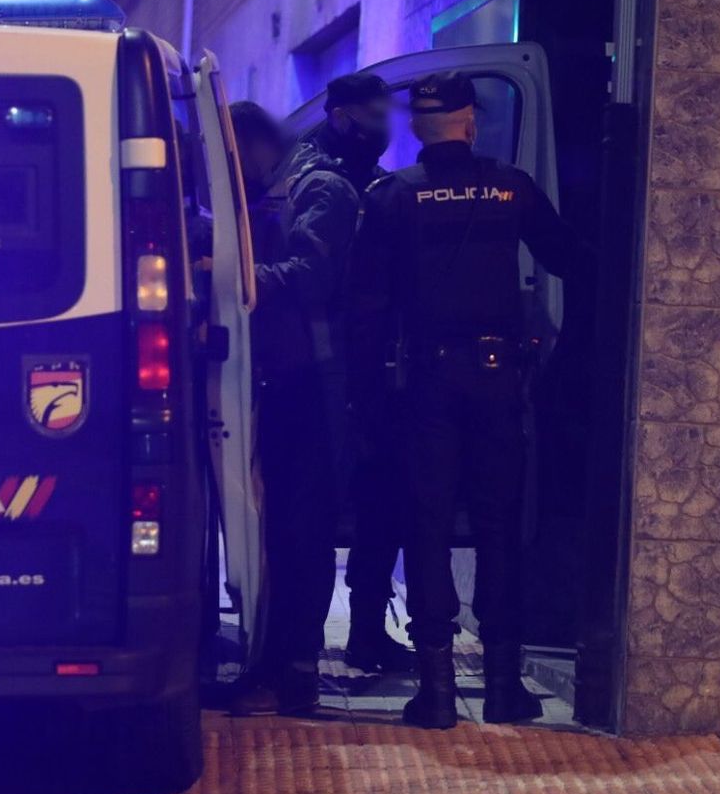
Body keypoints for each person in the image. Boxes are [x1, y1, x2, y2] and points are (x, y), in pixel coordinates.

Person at [347, 71, 590, 730]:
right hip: (497, 379)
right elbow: (571, 257)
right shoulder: (511, 185)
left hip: (426, 384)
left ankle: (437, 693)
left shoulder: (394, 195)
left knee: (426, 526)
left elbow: (365, 310)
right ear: (470, 123)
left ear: (419, 128)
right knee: (498, 525)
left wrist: (365, 399)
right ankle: (506, 688)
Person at [225, 76, 401, 716]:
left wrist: (232, 278)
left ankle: (297, 670)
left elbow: (311, 278)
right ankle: (273, 660)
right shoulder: (282, 184)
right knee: (276, 533)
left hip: (314, 386)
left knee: (305, 529)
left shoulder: (318, 187)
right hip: (278, 379)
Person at [277, 73, 416, 675]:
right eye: (371, 115)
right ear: (340, 116)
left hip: (365, 359)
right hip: (330, 363)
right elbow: (317, 274)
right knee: (324, 502)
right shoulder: (325, 180)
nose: (382, 127)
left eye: (387, 114)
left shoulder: (357, 176)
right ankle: (300, 651)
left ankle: (362, 631)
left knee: (378, 494)